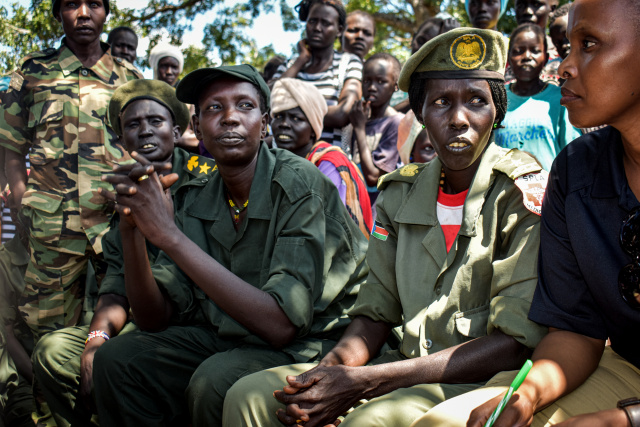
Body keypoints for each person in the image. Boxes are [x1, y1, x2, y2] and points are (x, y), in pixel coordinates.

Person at [222, 27, 547, 427]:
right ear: (421, 115)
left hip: (477, 380)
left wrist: (364, 382)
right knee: (249, 397)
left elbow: (513, 345)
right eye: (441, 102)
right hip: (399, 368)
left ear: (496, 110)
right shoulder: (399, 193)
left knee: (368, 423)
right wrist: (327, 376)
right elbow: (376, 311)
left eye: (477, 101)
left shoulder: (520, 193)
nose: (459, 119)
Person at [91, 64, 369, 426]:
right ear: (196, 126)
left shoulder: (299, 184)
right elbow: (153, 318)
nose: (230, 118)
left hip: (318, 339)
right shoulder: (198, 194)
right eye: (214, 108)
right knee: (118, 359)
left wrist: (169, 237)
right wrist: (133, 231)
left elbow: (281, 324)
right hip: (235, 335)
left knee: (215, 381)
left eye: (244, 106)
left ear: (265, 122)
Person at [410, 1, 640, 426]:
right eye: (568, 46)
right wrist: (526, 395)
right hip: (625, 366)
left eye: (588, 44)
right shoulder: (576, 171)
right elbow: (576, 330)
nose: (565, 66)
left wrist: (623, 420)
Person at [29, 78, 201, 427]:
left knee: (120, 360)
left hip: (197, 324)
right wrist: (95, 340)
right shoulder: (127, 188)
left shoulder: (208, 180)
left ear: (178, 130)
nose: (145, 131)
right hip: (145, 322)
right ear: (120, 140)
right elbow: (116, 285)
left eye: (156, 121)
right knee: (55, 353)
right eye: (133, 125)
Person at [0, 0, 141, 338]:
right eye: (70, 5)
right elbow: (11, 150)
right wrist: (23, 205)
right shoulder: (32, 72)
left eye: (94, 4)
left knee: (123, 329)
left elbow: (143, 149)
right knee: (46, 332)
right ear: (57, 13)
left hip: (116, 228)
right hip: (51, 229)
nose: (83, 14)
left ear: (106, 12)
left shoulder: (130, 78)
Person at [270, 77, 372, 237]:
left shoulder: (329, 164)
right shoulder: (275, 163)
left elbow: (329, 233)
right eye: (278, 117)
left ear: (313, 128)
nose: (284, 124)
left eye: (296, 118)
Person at [272, 0, 362, 147]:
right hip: (285, 160)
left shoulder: (348, 63)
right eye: (312, 21)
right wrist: (301, 60)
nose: (317, 28)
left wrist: (290, 112)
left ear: (339, 30)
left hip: (329, 163)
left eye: (326, 23)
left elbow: (343, 114)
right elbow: (268, 101)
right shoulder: (290, 65)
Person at [494, 23, 579, 171]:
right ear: (509, 58)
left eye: (535, 51)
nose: (527, 57)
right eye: (518, 51)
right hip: (502, 191)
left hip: (549, 191)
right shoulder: (497, 99)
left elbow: (573, 154)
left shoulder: (560, 99)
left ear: (545, 58)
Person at [350, 53, 403, 206]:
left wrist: (359, 129)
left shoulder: (396, 123)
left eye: (381, 81)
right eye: (367, 81)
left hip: (376, 212)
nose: (372, 87)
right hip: (354, 207)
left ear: (395, 85)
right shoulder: (359, 118)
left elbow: (373, 178)